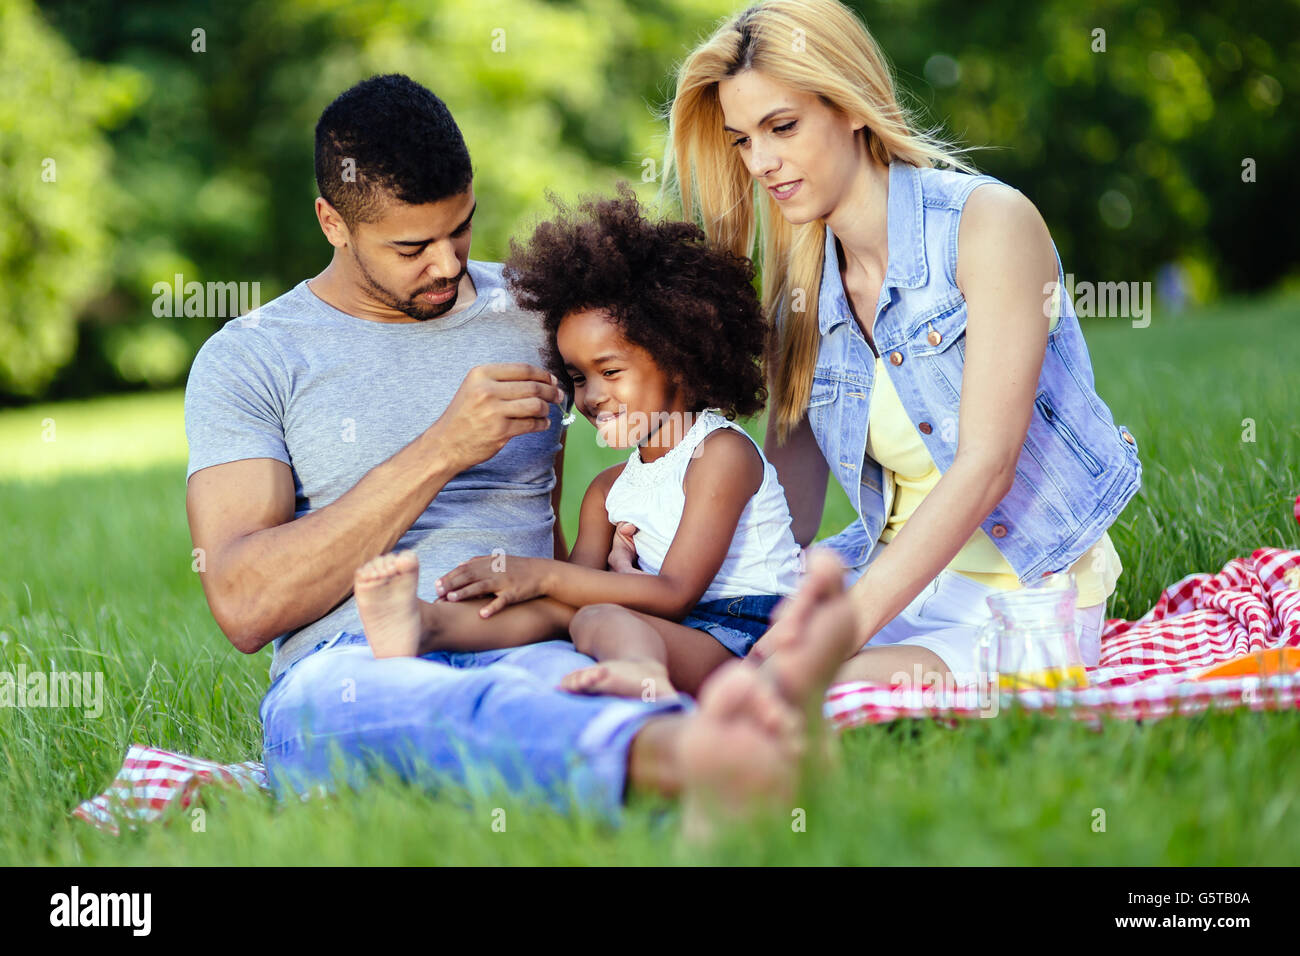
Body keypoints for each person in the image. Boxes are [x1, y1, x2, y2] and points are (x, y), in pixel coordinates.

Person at [182, 72, 849, 825]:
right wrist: (441, 449)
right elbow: (243, 604)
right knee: (424, 708)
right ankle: (690, 759)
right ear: (332, 222)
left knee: (553, 690)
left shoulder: (540, 316)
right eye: (411, 246)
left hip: (529, 637)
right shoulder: (251, 358)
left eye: (460, 227)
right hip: (350, 668)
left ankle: (693, 772)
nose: (446, 263)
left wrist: (612, 572)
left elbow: (583, 522)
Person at [663, 0, 1142, 689]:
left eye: (783, 126)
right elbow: (787, 509)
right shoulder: (801, 291)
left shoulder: (988, 225)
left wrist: (838, 632)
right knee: (691, 655)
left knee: (783, 690)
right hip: (890, 584)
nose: (760, 162)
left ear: (852, 106)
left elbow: (987, 466)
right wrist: (702, 582)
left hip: (1027, 595)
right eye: (742, 140)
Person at [354, 186, 804, 701]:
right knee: (572, 612)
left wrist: (539, 573)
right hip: (674, 629)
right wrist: (538, 581)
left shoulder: (719, 454)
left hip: (750, 640)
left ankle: (642, 677)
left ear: (680, 356)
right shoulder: (607, 490)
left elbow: (674, 595)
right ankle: (425, 625)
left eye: (610, 371)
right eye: (577, 378)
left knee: (594, 615)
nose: (592, 396)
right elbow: (574, 592)